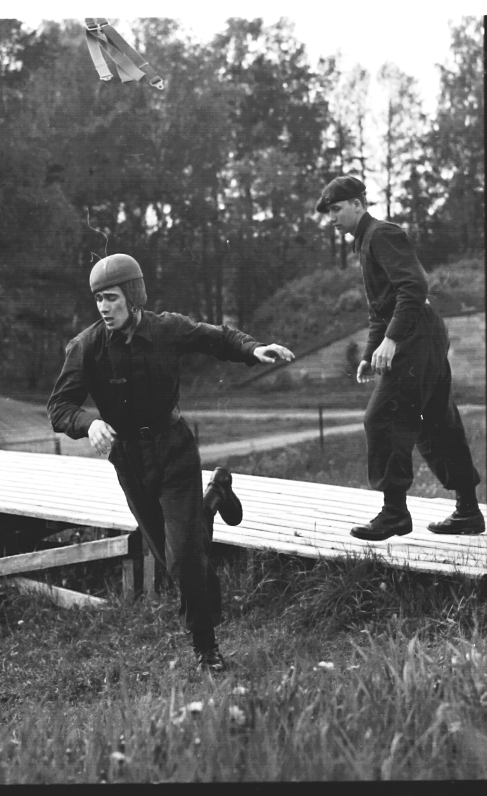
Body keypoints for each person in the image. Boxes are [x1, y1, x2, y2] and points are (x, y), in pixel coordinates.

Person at [47, 253, 294, 672]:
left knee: (183, 559)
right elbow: (59, 407)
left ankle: (206, 649)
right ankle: (216, 496)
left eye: (111, 297)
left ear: (133, 296)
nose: (104, 307)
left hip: (174, 451)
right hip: (130, 461)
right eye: (98, 299)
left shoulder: (166, 329)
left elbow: (218, 338)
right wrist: (89, 424)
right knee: (174, 558)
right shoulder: (86, 346)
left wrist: (254, 348)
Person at [316, 175, 484, 541]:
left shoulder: (381, 234)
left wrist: (391, 340)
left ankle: (394, 514)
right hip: (422, 335)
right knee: (436, 421)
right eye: (328, 212)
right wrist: (369, 353)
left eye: (337, 209)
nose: (331, 218)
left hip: (415, 337)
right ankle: (468, 512)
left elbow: (414, 286)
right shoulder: (365, 241)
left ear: (358, 204)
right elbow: (381, 308)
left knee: (382, 418)